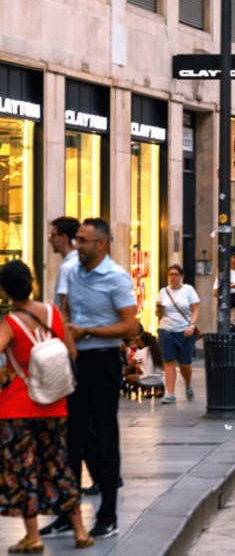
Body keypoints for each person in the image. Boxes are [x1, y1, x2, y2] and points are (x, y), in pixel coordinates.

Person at [0, 260, 93, 552]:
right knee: (59, 466)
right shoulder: (53, 313)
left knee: (21, 469)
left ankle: (33, 536)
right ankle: (79, 531)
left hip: (17, 407)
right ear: (33, 283)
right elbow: (72, 353)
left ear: (4, 290)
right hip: (55, 406)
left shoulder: (10, 323)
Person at [51, 218, 135, 540]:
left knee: (104, 437)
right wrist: (70, 342)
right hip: (76, 361)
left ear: (101, 244)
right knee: (70, 438)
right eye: (77, 240)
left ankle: (108, 515)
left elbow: (130, 326)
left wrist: (88, 331)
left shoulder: (116, 278)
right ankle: (66, 513)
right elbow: (66, 311)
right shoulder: (72, 272)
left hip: (104, 362)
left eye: (83, 241)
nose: (77, 245)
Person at [154, 264, 199, 403]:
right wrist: (159, 311)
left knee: (184, 363)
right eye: (170, 275)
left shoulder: (189, 290)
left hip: (184, 331)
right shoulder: (163, 292)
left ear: (181, 276)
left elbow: (196, 309)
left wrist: (192, 326)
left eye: (175, 275)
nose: (173, 277)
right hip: (166, 330)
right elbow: (157, 313)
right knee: (169, 362)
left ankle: (188, 385)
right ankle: (170, 394)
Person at [47, 218, 80, 308]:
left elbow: (64, 308)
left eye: (53, 235)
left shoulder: (67, 268)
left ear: (64, 238)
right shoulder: (82, 262)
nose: (49, 239)